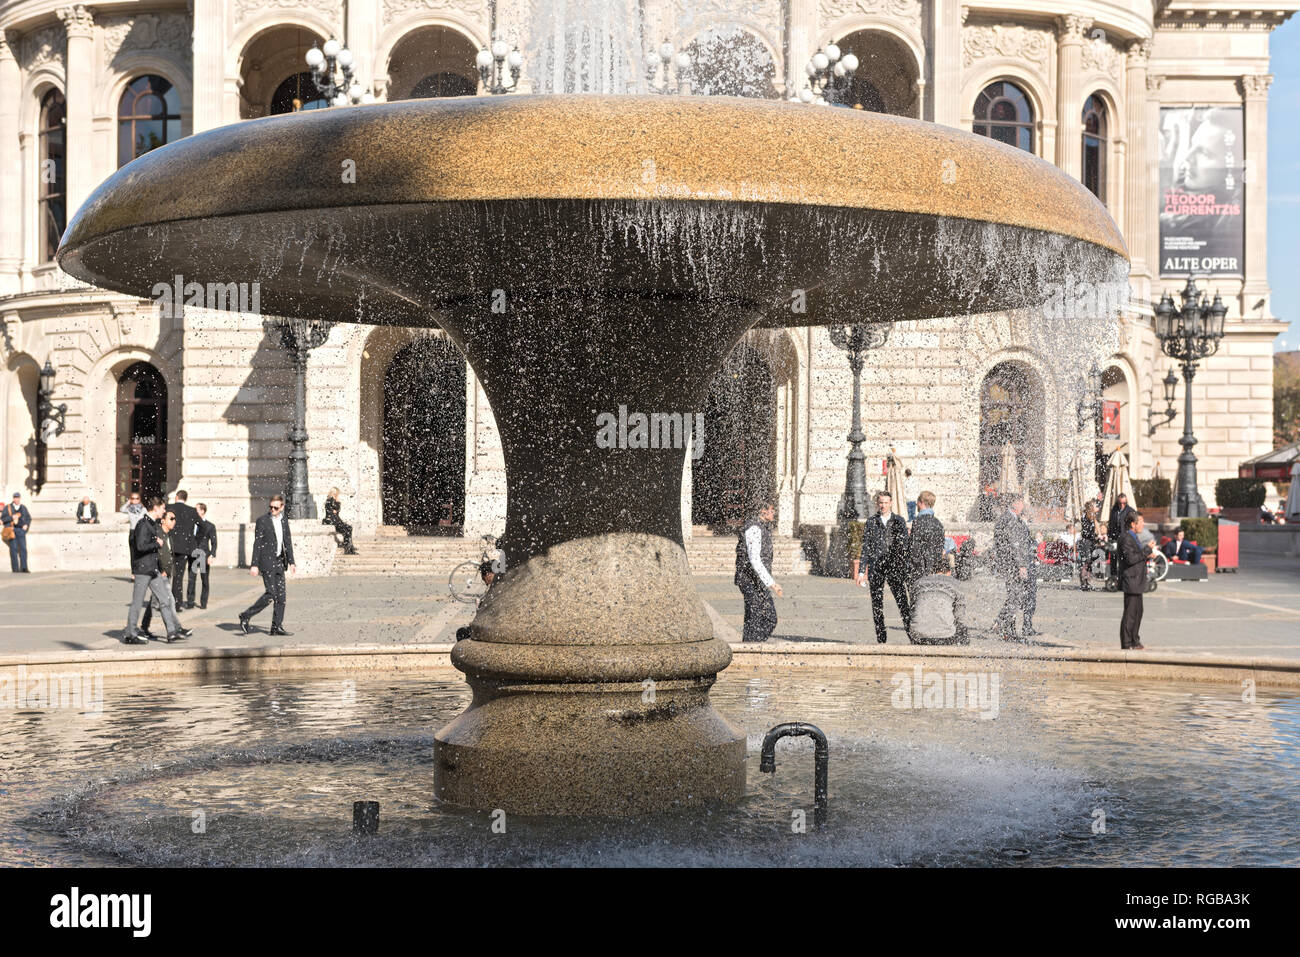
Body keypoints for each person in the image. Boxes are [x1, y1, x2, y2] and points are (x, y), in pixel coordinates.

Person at [123, 498, 191, 644]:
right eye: (162, 508)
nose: (164, 511)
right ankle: (130, 633)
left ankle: (172, 632)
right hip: (142, 569)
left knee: (165, 599)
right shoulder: (143, 524)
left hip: (153, 569)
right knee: (137, 602)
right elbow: (140, 546)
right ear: (155, 508)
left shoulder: (151, 524)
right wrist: (156, 543)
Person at [856, 490, 911, 643]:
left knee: (902, 602)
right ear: (877, 503)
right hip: (876, 567)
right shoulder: (871, 521)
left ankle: (911, 634)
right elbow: (866, 547)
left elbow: (904, 546)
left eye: (886, 503)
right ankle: (881, 638)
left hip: (894, 567)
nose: (883, 505)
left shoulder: (899, 521)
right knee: (877, 605)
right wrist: (861, 572)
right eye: (881, 503)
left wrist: (904, 567)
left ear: (891, 503)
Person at [239, 493, 296, 636]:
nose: (272, 510)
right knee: (271, 594)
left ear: (282, 507)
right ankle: (246, 615)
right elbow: (257, 543)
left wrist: (292, 561)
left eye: (276, 508)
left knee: (281, 597)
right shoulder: (262, 520)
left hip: (279, 562)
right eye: (270, 507)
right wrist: (254, 564)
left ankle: (276, 627)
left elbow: (287, 542)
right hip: (266, 562)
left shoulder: (284, 521)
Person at [734, 500, 781, 643]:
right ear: (763, 511)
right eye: (772, 510)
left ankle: (750, 647)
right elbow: (754, 559)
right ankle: (751, 648)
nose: (774, 513)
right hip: (748, 579)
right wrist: (772, 584)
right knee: (765, 617)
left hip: (755, 579)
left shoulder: (761, 527)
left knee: (756, 617)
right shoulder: (754, 528)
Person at [141, 508, 191, 640]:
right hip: (159, 574)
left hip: (166, 573)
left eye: (175, 519)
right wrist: (161, 569)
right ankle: (174, 630)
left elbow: (169, 554)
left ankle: (144, 628)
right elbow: (155, 553)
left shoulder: (168, 535)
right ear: (163, 520)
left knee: (154, 602)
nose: (174, 521)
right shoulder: (157, 534)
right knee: (168, 601)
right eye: (171, 519)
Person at [993, 494, 1033, 641]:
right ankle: (1007, 629)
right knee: (1015, 597)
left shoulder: (1008, 518)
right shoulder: (1009, 520)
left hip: (1009, 563)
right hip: (1012, 565)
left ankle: (1002, 624)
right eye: (1022, 502)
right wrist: (1021, 565)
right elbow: (1014, 544)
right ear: (1015, 504)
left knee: (1014, 596)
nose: (1024, 505)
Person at [908, 563, 972, 645]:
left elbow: (912, 609)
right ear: (949, 573)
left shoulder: (918, 583)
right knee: (963, 630)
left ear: (932, 572)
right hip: (945, 636)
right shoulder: (955, 583)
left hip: (918, 635)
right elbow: (959, 616)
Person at [1118, 512, 1149, 650]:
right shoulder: (1126, 538)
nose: (1143, 524)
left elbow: (1136, 556)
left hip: (1137, 581)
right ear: (1133, 524)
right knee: (1130, 613)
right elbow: (1131, 559)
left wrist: (1148, 553)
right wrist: (1147, 550)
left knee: (1138, 612)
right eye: (1140, 521)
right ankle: (1127, 643)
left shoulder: (1133, 536)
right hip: (1131, 580)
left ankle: (1134, 640)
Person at [168, 491, 201, 609]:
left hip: (170, 545)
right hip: (185, 547)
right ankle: (177, 602)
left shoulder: (169, 508)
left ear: (177, 497)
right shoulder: (192, 511)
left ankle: (165, 600)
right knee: (178, 576)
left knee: (165, 575)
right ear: (185, 499)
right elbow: (202, 525)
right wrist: (194, 540)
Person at [907, 490, 945, 585]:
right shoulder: (938, 523)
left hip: (919, 569)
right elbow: (940, 548)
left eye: (917, 502)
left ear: (921, 503)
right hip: (933, 569)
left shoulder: (918, 522)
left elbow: (914, 548)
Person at [190, 503, 217, 609]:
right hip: (193, 554)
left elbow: (214, 542)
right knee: (191, 579)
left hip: (204, 555)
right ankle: (190, 601)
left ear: (202, 511)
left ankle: (203, 602)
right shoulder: (192, 524)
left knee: (204, 579)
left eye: (196, 510)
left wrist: (212, 555)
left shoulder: (210, 526)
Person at [323, 487, 358, 555]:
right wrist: (336, 508)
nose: (337, 495)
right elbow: (331, 512)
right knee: (347, 530)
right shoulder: (329, 500)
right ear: (334, 493)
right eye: (337, 493)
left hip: (336, 520)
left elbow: (336, 511)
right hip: (332, 522)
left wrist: (337, 504)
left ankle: (349, 546)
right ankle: (348, 548)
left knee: (349, 528)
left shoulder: (334, 500)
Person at [2, 492, 31, 573]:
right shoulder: (8, 507)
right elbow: (2, 519)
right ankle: (15, 569)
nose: (16, 499)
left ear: (20, 498)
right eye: (15, 497)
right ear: (13, 498)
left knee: (23, 549)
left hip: (21, 530)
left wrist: (26, 525)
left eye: (18, 497)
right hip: (12, 530)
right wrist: (11, 517)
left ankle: (24, 568)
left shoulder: (23, 507)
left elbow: (29, 518)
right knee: (13, 549)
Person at [1078, 500, 1102, 591]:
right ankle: (1083, 583)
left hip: (1090, 542)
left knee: (1089, 562)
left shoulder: (1093, 517)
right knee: (1086, 562)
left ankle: (1087, 582)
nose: (1098, 508)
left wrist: (1098, 535)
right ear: (1091, 508)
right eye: (1096, 506)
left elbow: (1097, 527)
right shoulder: (1085, 517)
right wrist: (1095, 536)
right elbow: (1086, 532)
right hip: (1086, 542)